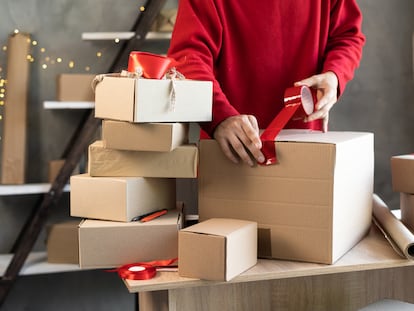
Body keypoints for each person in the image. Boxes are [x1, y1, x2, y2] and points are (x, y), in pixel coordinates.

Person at [167, 0, 365, 166]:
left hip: (308, 145)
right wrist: (219, 115)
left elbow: (347, 35)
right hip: (231, 151)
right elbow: (188, 58)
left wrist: (334, 75)